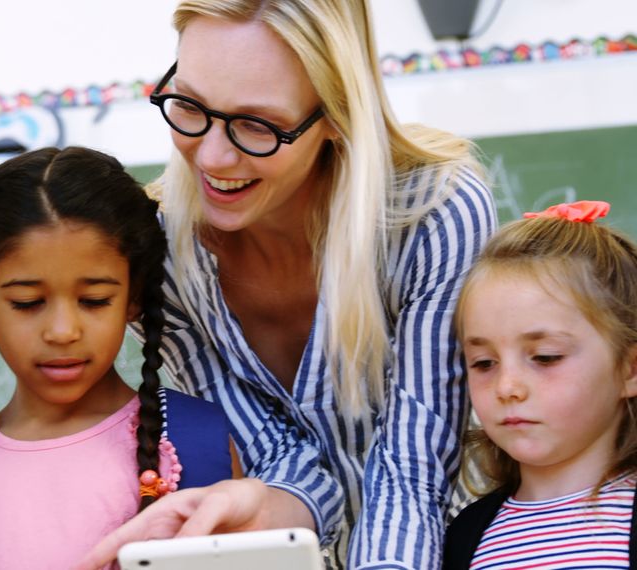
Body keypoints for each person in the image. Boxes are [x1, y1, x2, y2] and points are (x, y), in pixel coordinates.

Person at [76, 1, 497, 568]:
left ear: (336, 115)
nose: (215, 155)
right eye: (192, 105)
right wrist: (264, 501)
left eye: (258, 124)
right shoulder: (161, 255)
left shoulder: (432, 212)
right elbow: (277, 457)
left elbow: (412, 471)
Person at [0, 147, 239, 570]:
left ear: (132, 297)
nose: (62, 331)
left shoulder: (203, 438)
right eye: (27, 302)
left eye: (94, 300)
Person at [442, 201, 637, 569]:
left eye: (546, 357)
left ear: (629, 369)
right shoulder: (463, 538)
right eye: (484, 363)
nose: (507, 387)